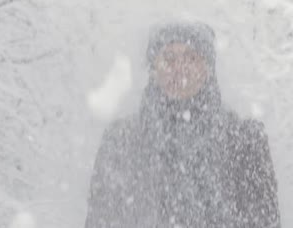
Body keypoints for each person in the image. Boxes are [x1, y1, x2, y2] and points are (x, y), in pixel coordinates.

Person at [84, 22, 280, 228]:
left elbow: (264, 222)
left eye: (191, 58)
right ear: (153, 69)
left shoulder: (245, 140)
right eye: (168, 58)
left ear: (207, 68)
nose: (179, 69)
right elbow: (101, 220)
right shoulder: (121, 140)